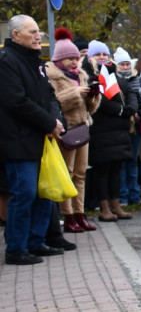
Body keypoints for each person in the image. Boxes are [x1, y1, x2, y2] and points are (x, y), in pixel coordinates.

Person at [0, 15, 65, 265]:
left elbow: (49, 96)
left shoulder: (35, 62)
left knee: (42, 192)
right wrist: (49, 122)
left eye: (39, 31)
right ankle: (16, 248)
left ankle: (36, 242)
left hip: (41, 139)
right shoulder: (7, 61)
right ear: (16, 35)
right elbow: (16, 101)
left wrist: (57, 121)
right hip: (18, 141)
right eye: (33, 32)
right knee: (24, 192)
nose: (39, 36)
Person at [45, 28, 101, 233]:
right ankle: (67, 215)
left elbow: (90, 109)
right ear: (60, 59)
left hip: (82, 128)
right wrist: (75, 93)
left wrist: (93, 96)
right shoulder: (52, 76)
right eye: (69, 58)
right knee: (66, 173)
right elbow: (55, 103)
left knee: (80, 174)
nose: (74, 62)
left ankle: (80, 213)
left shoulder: (82, 75)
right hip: (66, 130)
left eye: (76, 58)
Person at [87, 41, 136, 221]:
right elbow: (98, 100)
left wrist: (131, 108)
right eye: (97, 54)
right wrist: (121, 110)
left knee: (116, 170)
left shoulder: (117, 77)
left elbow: (130, 93)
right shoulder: (90, 76)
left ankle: (116, 205)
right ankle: (104, 207)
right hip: (101, 131)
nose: (102, 57)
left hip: (120, 131)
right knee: (102, 171)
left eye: (105, 54)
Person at [115, 48, 141, 206]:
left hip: (136, 126)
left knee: (133, 160)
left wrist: (139, 112)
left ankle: (135, 194)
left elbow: (140, 100)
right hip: (121, 126)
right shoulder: (113, 80)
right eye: (122, 64)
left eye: (127, 64)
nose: (125, 67)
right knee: (122, 163)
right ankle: (123, 195)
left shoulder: (136, 79)